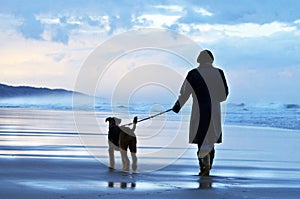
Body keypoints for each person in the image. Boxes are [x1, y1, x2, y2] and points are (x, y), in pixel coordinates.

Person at [172, 50, 229, 176]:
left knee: (201, 138)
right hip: (214, 110)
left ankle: (204, 166)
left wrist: (177, 107)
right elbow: (224, 95)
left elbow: (184, 93)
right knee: (211, 138)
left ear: (199, 60)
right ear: (212, 60)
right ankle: (208, 165)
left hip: (198, 109)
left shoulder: (193, 74)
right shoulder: (219, 73)